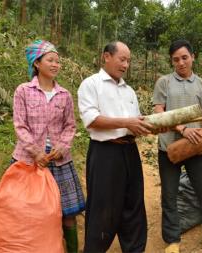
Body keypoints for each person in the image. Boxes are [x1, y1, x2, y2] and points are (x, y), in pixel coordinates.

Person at [153, 39, 202, 253]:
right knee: (169, 195)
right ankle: (172, 241)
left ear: (193, 57)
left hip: (196, 149)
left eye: (184, 57)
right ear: (172, 61)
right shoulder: (164, 82)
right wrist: (183, 129)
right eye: (176, 59)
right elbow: (159, 112)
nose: (181, 62)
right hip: (169, 148)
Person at [78, 41, 154, 253]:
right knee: (103, 206)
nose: (126, 65)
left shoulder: (129, 91)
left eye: (128, 61)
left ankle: (135, 249)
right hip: (105, 154)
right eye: (122, 59)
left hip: (129, 151)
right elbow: (91, 120)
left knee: (134, 203)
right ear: (106, 57)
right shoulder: (91, 84)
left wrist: (150, 127)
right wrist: (126, 122)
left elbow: (135, 123)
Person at [12, 39, 85, 252]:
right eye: (50, 60)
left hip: (59, 161)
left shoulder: (64, 95)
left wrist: (62, 147)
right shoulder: (23, 91)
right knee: (31, 214)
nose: (55, 64)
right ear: (37, 63)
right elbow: (20, 125)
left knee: (67, 215)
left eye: (57, 61)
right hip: (28, 161)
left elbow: (70, 126)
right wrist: (36, 152)